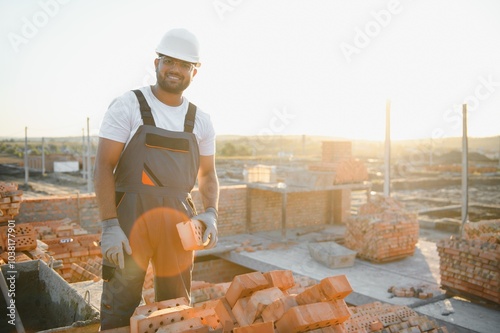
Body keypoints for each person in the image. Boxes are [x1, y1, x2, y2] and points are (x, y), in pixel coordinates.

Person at [93, 28, 219, 330]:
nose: (175, 70)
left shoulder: (200, 120)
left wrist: (211, 212)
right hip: (129, 220)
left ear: (195, 71)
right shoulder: (128, 105)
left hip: (177, 222)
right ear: (156, 63)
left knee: (175, 308)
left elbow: (208, 174)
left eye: (184, 65)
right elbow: (102, 166)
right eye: (168, 61)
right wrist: (110, 224)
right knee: (120, 303)